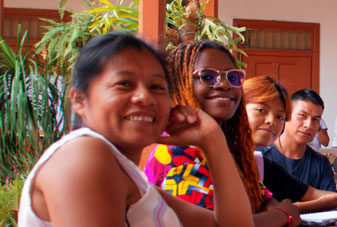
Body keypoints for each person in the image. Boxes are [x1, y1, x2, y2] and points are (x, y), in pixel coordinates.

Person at [19, 33, 253, 226]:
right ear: (79, 100)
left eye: (157, 86)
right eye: (124, 84)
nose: (145, 97)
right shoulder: (83, 154)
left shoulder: (134, 183)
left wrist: (212, 140)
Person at [144, 40, 302, 226]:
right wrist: (283, 216)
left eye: (232, 77)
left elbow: (263, 200)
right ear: (179, 83)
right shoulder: (176, 152)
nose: (224, 85)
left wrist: (279, 213)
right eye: (208, 76)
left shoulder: (231, 150)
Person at [242, 76, 337, 212]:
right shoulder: (252, 158)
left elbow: (310, 194)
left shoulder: (262, 163)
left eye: (278, 116)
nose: (271, 121)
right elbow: (276, 211)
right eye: (261, 110)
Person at [263, 89, 337, 191]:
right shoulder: (262, 157)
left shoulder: (321, 163)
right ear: (286, 115)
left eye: (315, 120)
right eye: (302, 116)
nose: (309, 125)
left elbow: (332, 202)